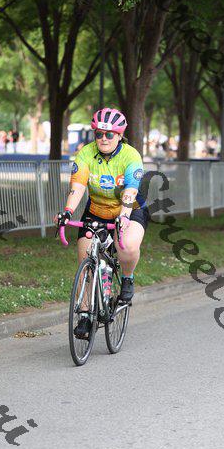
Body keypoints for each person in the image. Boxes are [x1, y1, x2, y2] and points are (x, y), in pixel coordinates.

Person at [55, 107, 149, 340]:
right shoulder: (86, 153)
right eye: (99, 134)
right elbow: (78, 186)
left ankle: (127, 278)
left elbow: (130, 191)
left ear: (119, 135)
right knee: (85, 257)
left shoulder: (131, 156)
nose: (103, 139)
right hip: (96, 210)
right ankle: (85, 315)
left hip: (129, 209)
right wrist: (67, 212)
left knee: (127, 245)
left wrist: (124, 216)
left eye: (109, 134)